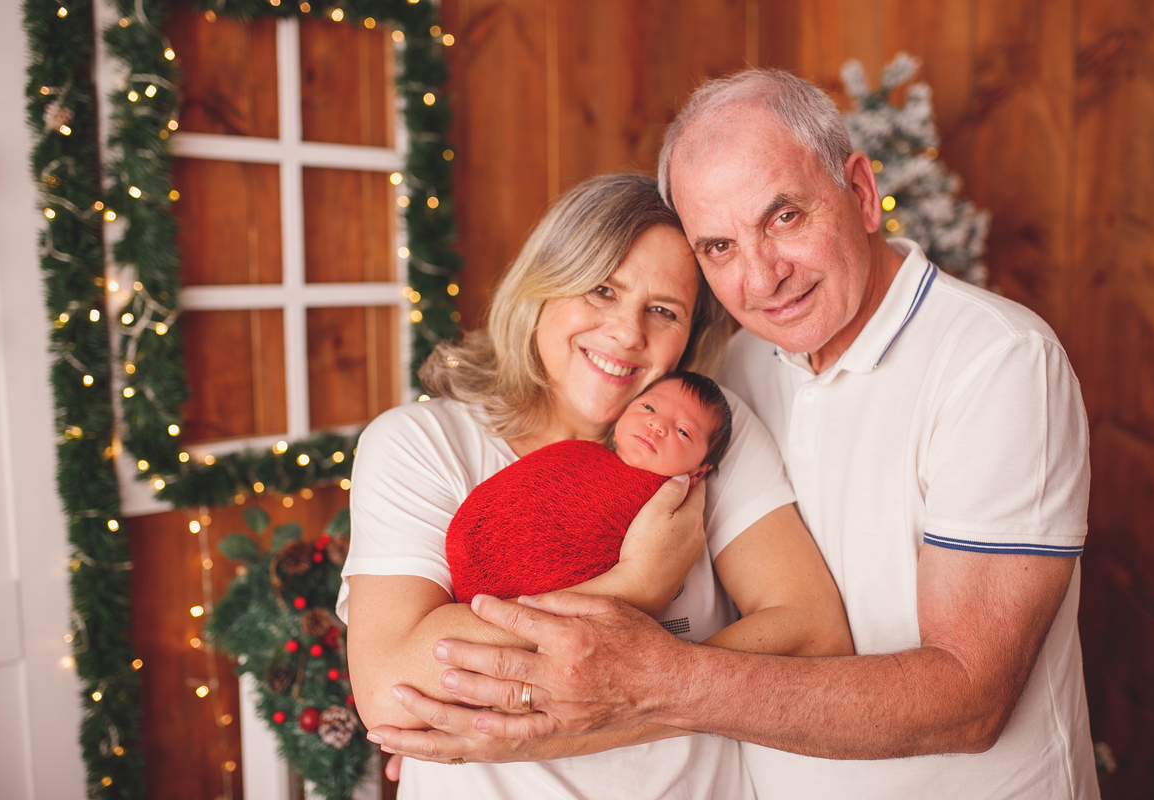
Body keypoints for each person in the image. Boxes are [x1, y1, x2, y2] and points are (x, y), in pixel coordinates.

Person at [370, 70, 1099, 799]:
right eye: (719, 247)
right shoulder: (738, 369)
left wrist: (561, 711)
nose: (763, 277)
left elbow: (967, 699)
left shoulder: (998, 363)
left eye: (783, 217)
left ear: (864, 193)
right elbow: (396, 682)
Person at [340, 172, 853, 800]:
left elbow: (812, 629)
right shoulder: (422, 443)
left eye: (663, 311)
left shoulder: (703, 430)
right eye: (601, 289)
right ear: (542, 287)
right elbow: (390, 686)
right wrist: (636, 586)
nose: (627, 333)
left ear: (689, 337)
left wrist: (597, 715)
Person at [447, 371, 732, 605]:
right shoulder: (577, 452)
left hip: (539, 598)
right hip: (473, 562)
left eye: (683, 431)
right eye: (648, 407)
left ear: (699, 471)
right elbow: (521, 490)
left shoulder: (664, 510)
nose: (657, 424)